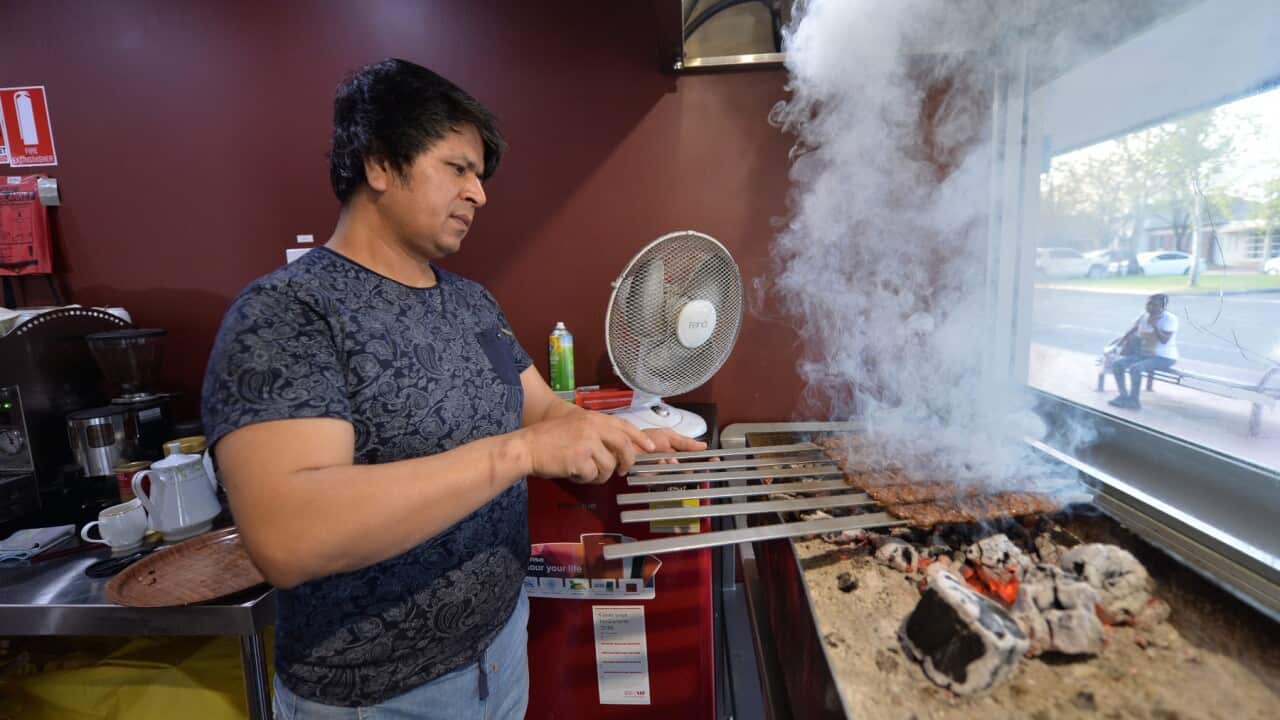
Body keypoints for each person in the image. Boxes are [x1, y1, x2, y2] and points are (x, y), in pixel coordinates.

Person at [200, 58, 704, 719]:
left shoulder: (471, 305)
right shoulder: (288, 313)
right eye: (458, 168)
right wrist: (518, 453)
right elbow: (289, 535)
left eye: (480, 175)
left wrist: (624, 436)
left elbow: (540, 409)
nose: (478, 194)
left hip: (502, 651)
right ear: (380, 163)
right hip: (377, 699)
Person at [1108, 293, 1178, 410]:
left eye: (1154, 305)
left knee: (1136, 368)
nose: (1150, 307)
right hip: (1144, 354)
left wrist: (1155, 326)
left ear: (1163, 306)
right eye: (1148, 304)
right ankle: (1123, 397)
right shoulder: (1144, 316)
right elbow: (1132, 330)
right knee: (1117, 365)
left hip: (1164, 357)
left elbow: (1164, 340)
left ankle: (1134, 401)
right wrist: (1119, 344)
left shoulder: (1170, 319)